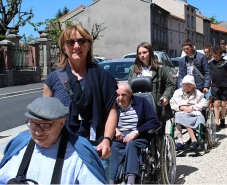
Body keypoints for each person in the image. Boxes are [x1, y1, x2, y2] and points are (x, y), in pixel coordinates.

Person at [43, 24, 118, 181]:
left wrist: (106, 140)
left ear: (88, 45)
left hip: (95, 147)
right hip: (61, 148)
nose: (76, 46)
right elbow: (44, 114)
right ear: (64, 48)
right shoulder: (54, 78)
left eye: (81, 41)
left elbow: (111, 111)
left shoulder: (103, 76)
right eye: (70, 42)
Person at [0, 97, 106, 184]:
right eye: (33, 124)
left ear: (61, 123)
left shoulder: (78, 155)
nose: (37, 132)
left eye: (45, 125)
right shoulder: (18, 146)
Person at [109, 82, 160, 184]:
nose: (120, 98)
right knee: (113, 147)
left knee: (131, 145)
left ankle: (131, 179)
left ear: (130, 94)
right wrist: (115, 130)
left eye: (123, 95)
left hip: (139, 136)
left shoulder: (142, 102)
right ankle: (111, 180)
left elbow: (154, 121)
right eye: (117, 95)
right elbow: (106, 120)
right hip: (120, 136)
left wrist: (136, 132)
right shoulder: (113, 105)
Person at [128, 42, 175, 132]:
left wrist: (166, 96)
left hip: (157, 106)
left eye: (144, 52)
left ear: (150, 53)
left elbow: (170, 84)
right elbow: (129, 87)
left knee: (158, 133)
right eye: (139, 53)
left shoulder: (160, 68)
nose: (142, 55)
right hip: (138, 107)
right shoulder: (134, 69)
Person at [170, 75, 208, 150]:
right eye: (185, 85)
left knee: (181, 117)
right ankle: (190, 139)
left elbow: (204, 102)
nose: (187, 87)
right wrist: (181, 107)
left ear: (193, 86)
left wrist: (193, 107)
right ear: (182, 85)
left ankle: (181, 142)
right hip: (181, 112)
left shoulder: (198, 93)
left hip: (194, 114)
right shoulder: (177, 92)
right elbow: (172, 102)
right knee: (179, 116)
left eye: (189, 85)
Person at [208, 46, 227, 131]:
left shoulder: (225, 62)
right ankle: (217, 122)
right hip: (214, 86)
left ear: (221, 55)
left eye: (218, 56)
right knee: (216, 104)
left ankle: (222, 118)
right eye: (215, 56)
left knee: (223, 104)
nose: (216, 58)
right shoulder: (210, 64)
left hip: (224, 85)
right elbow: (208, 75)